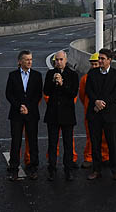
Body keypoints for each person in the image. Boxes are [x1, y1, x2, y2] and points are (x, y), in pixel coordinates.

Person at [85, 48, 116, 180]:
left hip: (110, 114)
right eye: (99, 58)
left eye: (102, 58)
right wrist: (96, 101)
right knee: (95, 143)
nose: (99, 61)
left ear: (109, 60)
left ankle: (115, 170)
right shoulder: (92, 73)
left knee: (112, 143)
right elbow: (88, 90)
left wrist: (103, 103)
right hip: (94, 114)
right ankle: (96, 170)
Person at [5, 49, 43, 180]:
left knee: (33, 141)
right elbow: (9, 94)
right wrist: (19, 106)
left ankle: (33, 167)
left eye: (31, 59)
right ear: (20, 61)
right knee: (15, 142)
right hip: (16, 113)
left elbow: (38, 94)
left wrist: (28, 107)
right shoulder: (13, 75)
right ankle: (14, 168)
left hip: (31, 113)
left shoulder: (37, 75)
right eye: (27, 60)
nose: (30, 62)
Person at [43, 50, 79, 181]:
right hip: (53, 114)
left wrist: (62, 84)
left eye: (61, 59)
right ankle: (52, 169)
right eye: (56, 60)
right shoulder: (50, 73)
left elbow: (73, 93)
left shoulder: (73, 75)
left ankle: (68, 169)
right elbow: (46, 91)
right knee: (52, 143)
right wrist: (53, 82)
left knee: (68, 143)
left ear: (65, 59)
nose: (58, 62)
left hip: (67, 114)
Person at [79, 53, 109, 168]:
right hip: (90, 112)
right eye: (92, 64)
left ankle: (105, 156)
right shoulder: (85, 79)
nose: (94, 66)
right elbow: (82, 95)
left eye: (96, 64)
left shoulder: (106, 76)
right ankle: (89, 157)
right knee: (91, 136)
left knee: (104, 136)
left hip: (104, 111)